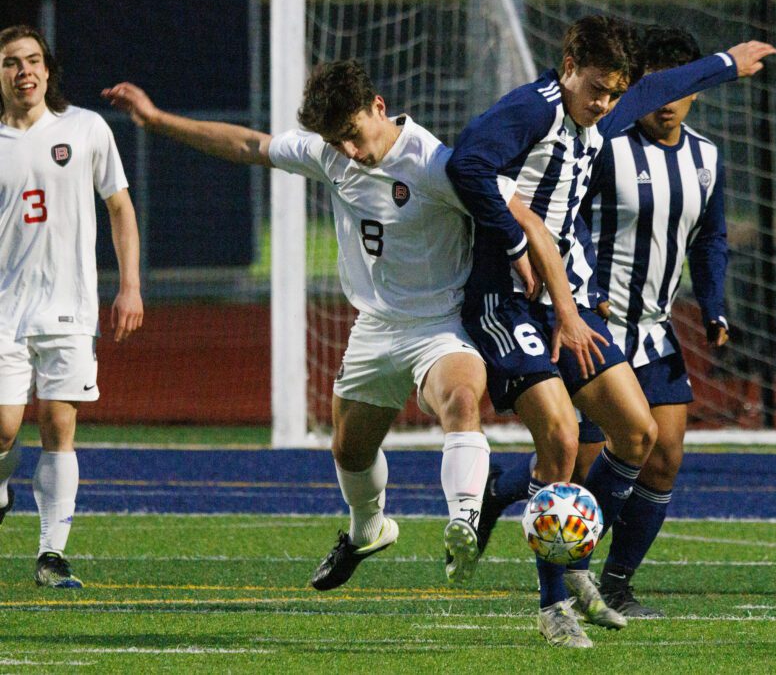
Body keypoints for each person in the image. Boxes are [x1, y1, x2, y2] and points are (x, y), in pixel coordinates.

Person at [104, 60, 523, 588]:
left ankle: (464, 518)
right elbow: (249, 146)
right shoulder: (331, 153)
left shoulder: (436, 164)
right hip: (375, 326)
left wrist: (538, 266)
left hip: (442, 323)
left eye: (352, 135)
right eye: (335, 141)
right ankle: (367, 528)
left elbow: (517, 207)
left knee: (461, 401)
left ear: (378, 107)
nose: (347, 150)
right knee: (349, 449)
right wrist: (158, 119)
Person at [447, 15, 775, 647]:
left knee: (638, 434)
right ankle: (554, 607)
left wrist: (726, 63)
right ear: (568, 68)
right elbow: (467, 163)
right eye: (595, 89)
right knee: (564, 442)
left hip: (571, 299)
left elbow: (658, 89)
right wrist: (515, 239)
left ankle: (572, 559)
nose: (604, 105)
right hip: (509, 300)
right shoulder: (533, 109)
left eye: (613, 94)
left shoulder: (610, 113)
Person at [0, 25, 144, 588]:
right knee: (5, 430)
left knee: (59, 427)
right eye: (12, 62)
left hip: (68, 307)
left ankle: (50, 555)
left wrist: (129, 285)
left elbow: (120, 207)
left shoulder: (85, 129)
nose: (24, 71)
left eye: (33, 60)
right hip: (5, 308)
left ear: (48, 69)